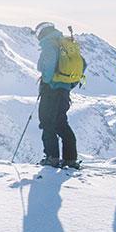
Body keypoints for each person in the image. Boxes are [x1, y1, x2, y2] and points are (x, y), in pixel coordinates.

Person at [33, 22, 81, 168]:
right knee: (61, 122)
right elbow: (83, 64)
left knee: (47, 122)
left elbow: (48, 66)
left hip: (51, 89)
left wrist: (46, 81)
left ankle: (52, 157)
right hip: (64, 90)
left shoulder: (49, 44)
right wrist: (69, 84)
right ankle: (70, 159)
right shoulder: (66, 43)